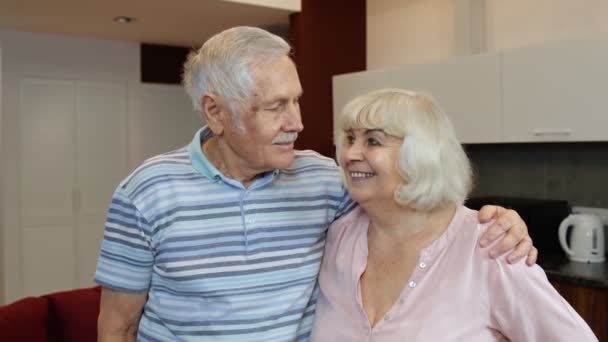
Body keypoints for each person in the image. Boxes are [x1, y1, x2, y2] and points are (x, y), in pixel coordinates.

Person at [95, 27, 536, 341]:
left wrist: (494, 219)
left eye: (297, 101)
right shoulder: (145, 194)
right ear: (215, 112)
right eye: (276, 107)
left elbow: (411, 208)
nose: (298, 123)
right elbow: (118, 328)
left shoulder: (325, 180)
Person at [310, 89, 597, 341]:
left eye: (373, 141)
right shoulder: (339, 238)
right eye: (349, 138)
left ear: (420, 153)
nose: (349, 154)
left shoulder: (492, 247)